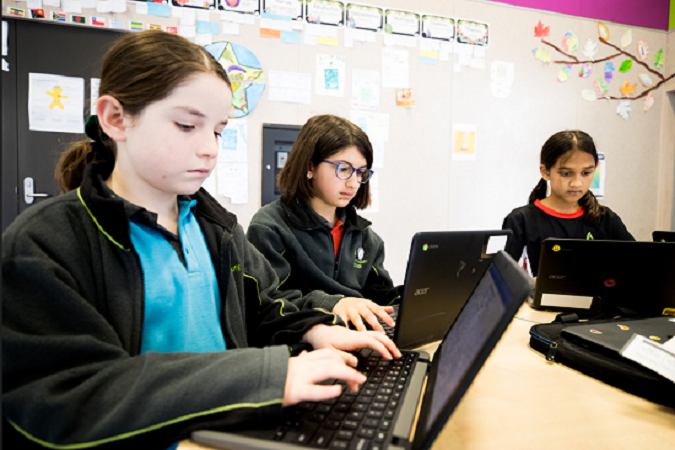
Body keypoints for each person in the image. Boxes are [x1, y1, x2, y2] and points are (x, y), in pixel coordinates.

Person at [2, 31, 400, 450]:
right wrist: (265, 376)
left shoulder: (216, 228)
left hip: (228, 430)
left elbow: (262, 307)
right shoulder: (44, 244)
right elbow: (70, 398)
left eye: (218, 131)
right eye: (187, 125)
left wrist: (313, 329)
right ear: (115, 118)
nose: (210, 149)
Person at [247, 115, 401, 333]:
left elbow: (377, 297)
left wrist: (413, 295)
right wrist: (334, 304)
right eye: (343, 169)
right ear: (310, 167)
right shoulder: (269, 228)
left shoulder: (367, 238)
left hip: (359, 341)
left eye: (360, 172)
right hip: (302, 346)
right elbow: (268, 304)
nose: (353, 182)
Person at [502, 130, 634, 278]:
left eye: (586, 173)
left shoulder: (606, 219)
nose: (577, 183)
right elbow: (504, 281)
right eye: (566, 173)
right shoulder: (521, 220)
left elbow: (636, 264)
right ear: (545, 171)